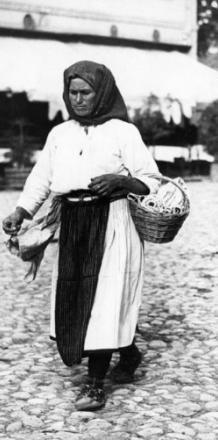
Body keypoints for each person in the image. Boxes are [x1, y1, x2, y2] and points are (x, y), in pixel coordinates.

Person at [2, 60, 160, 411]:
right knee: (75, 292)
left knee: (104, 297)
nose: (78, 100)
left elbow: (151, 179)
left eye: (85, 92)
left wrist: (120, 180)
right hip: (72, 220)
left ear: (101, 92)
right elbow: (41, 177)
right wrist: (21, 211)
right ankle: (129, 351)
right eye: (72, 93)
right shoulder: (60, 133)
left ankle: (94, 384)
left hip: (113, 220)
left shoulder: (123, 132)